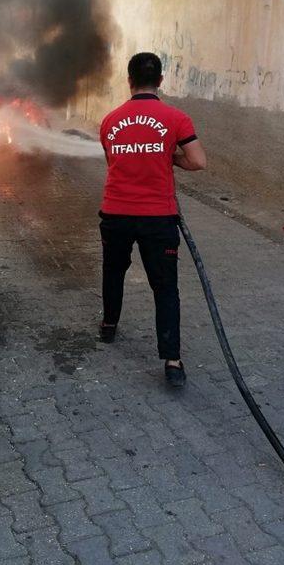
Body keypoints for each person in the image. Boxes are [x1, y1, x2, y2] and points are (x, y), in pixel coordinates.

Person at [98, 52, 206, 387]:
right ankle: (172, 361)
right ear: (160, 81)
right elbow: (198, 161)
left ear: (129, 80)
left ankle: (109, 327)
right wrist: (168, 157)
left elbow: (113, 161)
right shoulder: (176, 118)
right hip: (158, 218)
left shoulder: (110, 120)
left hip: (115, 212)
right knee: (165, 287)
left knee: (114, 270)